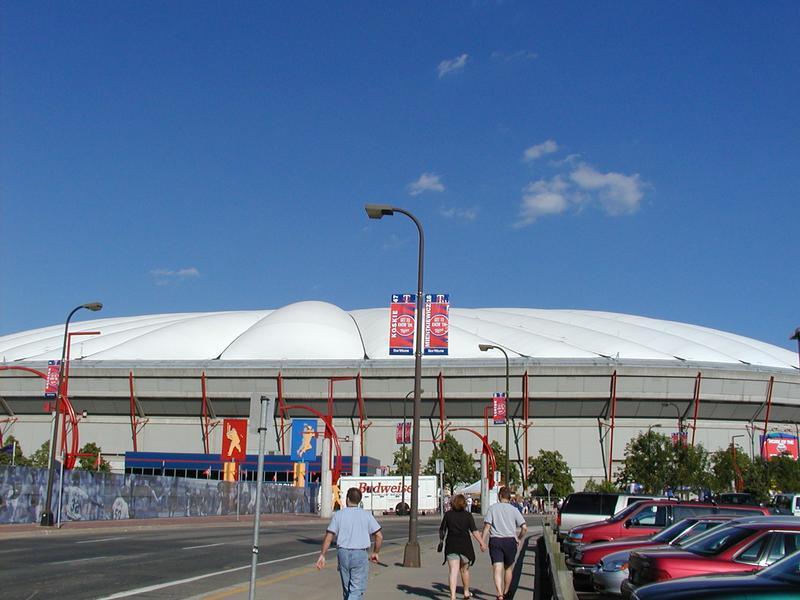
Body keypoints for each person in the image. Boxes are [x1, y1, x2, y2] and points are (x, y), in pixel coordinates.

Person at [316, 487, 383, 600]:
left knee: (347, 589)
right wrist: (376, 552)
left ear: (347, 499)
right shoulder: (366, 515)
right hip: (360, 553)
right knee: (356, 590)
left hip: (343, 553)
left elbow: (329, 536)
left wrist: (322, 555)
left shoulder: (339, 515)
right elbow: (379, 536)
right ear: (359, 501)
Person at [482, 487, 528, 600]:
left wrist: (482, 541)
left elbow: (487, 526)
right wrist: (519, 538)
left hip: (495, 540)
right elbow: (524, 527)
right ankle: (506, 591)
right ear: (509, 497)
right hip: (510, 541)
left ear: (500, 496)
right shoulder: (514, 510)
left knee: (497, 568)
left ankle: (499, 594)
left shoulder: (492, 508)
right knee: (508, 568)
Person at [439, 493, 486, 600]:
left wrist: (441, 541)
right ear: (464, 503)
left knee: (453, 571)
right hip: (465, 546)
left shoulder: (448, 515)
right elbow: (474, 530)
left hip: (451, 545)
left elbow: (442, 530)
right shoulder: (468, 515)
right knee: (465, 570)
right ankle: (466, 592)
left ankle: (453, 596)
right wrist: (482, 543)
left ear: (453, 503)